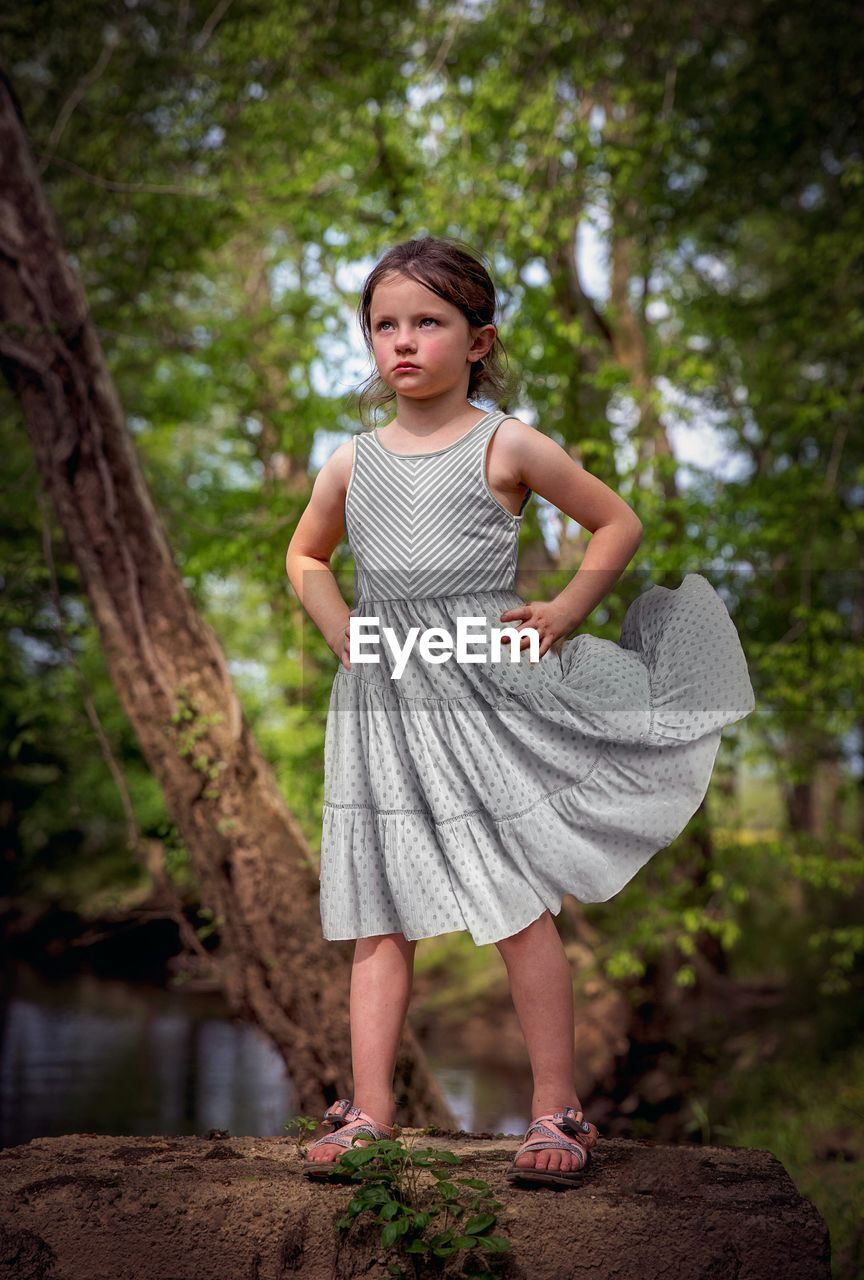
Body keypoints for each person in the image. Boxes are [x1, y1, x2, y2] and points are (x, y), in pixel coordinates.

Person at [285, 235, 755, 1188]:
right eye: (385, 325)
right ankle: (369, 1112)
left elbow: (617, 521)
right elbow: (306, 558)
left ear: (480, 339)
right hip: (383, 702)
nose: (403, 342)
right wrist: (343, 632)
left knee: (512, 902)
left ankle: (555, 1110)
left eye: (429, 322)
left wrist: (564, 610)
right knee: (379, 909)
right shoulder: (352, 463)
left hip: (480, 698)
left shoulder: (507, 444)